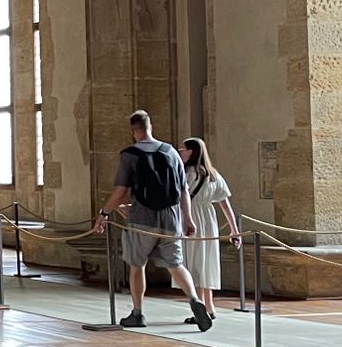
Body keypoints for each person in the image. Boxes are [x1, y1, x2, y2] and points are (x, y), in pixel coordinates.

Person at [93, 111, 213, 331]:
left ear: (133, 131)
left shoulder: (129, 154)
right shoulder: (171, 152)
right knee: (175, 264)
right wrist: (187, 218)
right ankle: (195, 299)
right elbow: (183, 190)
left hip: (142, 217)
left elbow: (121, 191)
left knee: (137, 265)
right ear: (151, 127)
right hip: (171, 218)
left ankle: (138, 313)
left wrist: (104, 213)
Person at [181, 137, 241, 320]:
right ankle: (209, 305)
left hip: (191, 218)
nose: (180, 152)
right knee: (206, 261)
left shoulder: (185, 173)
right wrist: (234, 230)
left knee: (194, 263)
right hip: (208, 220)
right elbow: (225, 205)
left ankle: (201, 309)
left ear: (191, 152)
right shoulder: (213, 175)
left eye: (182, 149)